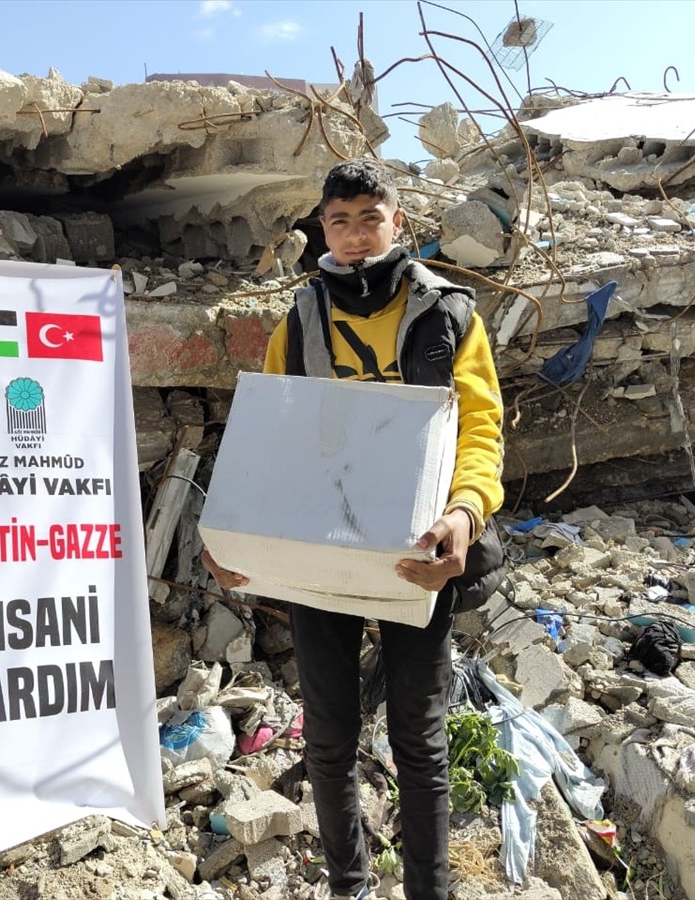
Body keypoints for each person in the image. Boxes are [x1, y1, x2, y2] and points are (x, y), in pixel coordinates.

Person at [202, 157, 505, 900]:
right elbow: (269, 438)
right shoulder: (299, 321)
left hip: (417, 555)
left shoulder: (450, 314)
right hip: (320, 550)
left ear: (398, 221)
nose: (356, 235)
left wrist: (464, 514)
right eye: (340, 221)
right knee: (331, 741)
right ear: (322, 230)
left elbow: (481, 430)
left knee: (420, 742)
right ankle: (351, 887)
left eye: (371, 218)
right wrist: (236, 536)